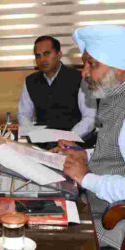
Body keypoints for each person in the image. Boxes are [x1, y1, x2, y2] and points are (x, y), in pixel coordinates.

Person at [56, 25, 125, 249]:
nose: (84, 72)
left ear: (121, 69)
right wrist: (81, 153)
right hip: (96, 199)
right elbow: (115, 152)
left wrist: (86, 178)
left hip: (113, 219)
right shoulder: (113, 97)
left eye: (91, 64)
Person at [18, 36, 96, 138]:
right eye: (38, 56)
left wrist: (70, 137)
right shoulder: (30, 81)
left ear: (59, 54)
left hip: (74, 141)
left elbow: (90, 117)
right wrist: (32, 134)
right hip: (41, 141)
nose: (42, 60)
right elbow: (23, 114)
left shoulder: (80, 79)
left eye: (47, 54)